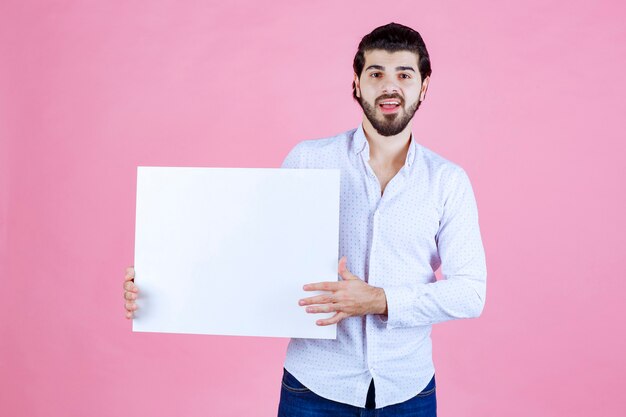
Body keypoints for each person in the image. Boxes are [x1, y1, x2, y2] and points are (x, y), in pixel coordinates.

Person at [123, 22, 486, 417]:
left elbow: (470, 292)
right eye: (376, 73)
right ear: (357, 83)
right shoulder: (309, 160)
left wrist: (380, 300)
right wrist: (162, 283)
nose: (389, 85)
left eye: (404, 74)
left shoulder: (448, 182)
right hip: (313, 389)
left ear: (424, 86)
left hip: (408, 391)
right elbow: (252, 253)